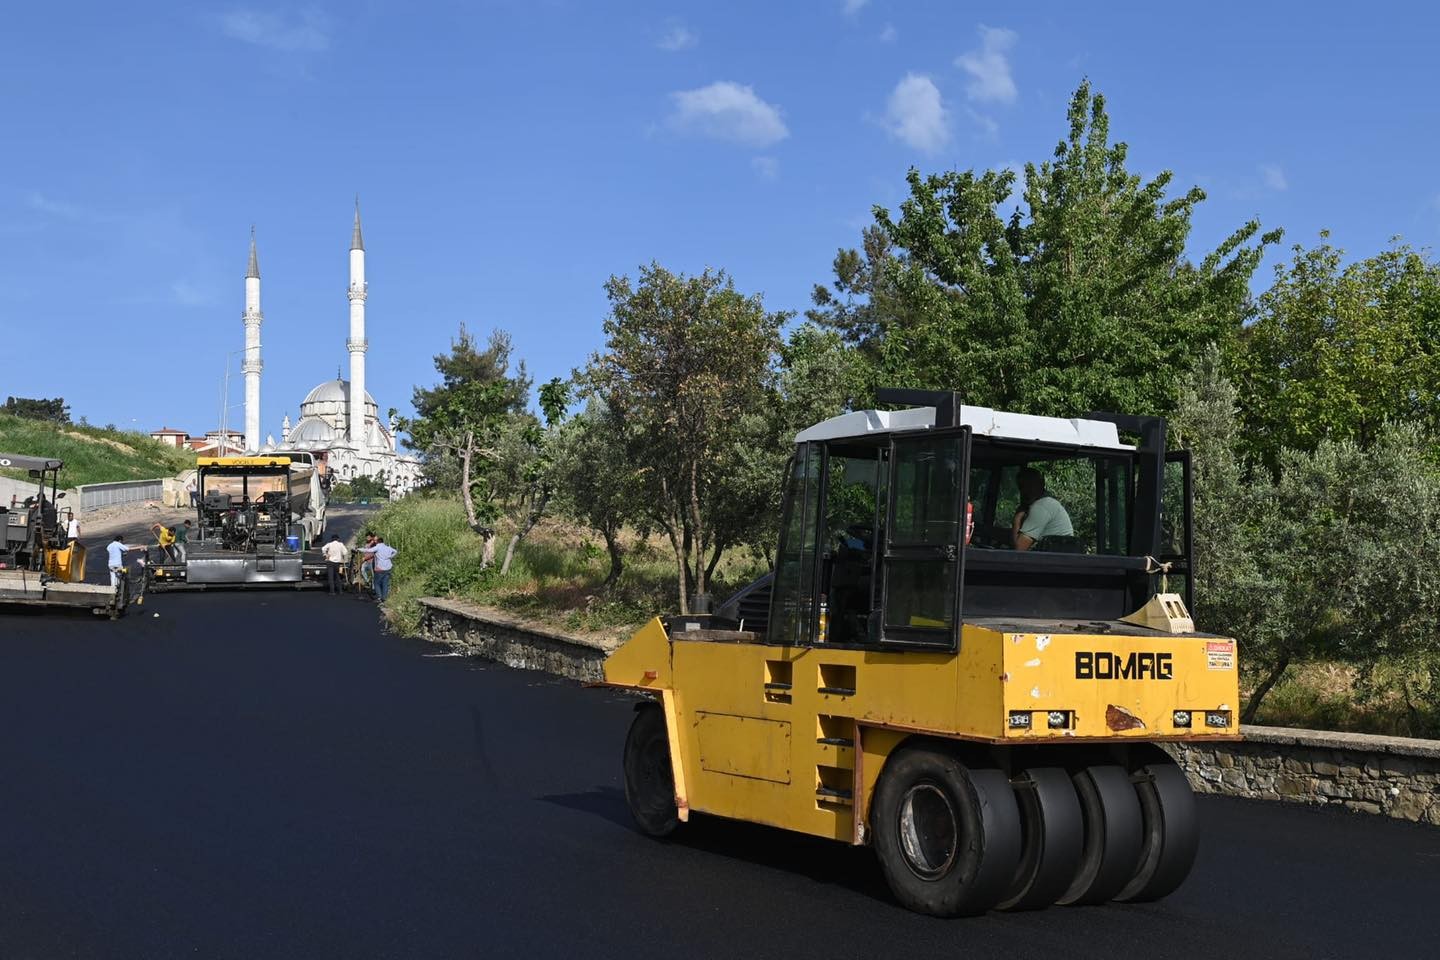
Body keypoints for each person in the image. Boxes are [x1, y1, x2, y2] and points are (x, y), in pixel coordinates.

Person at [1012, 467, 1074, 552]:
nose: (1025, 490)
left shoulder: (1041, 506)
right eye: (1022, 486)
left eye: (1030, 485)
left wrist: (1017, 518)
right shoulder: (1048, 502)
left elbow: (1018, 550)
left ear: (1041, 484)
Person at [358, 535, 398, 603]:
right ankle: (384, 598)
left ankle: (379, 597)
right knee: (385, 583)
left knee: (376, 583)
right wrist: (390, 557)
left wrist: (359, 549)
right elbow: (395, 551)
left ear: (378, 542)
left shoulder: (378, 547)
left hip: (380, 568)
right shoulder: (388, 547)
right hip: (388, 567)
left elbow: (369, 550)